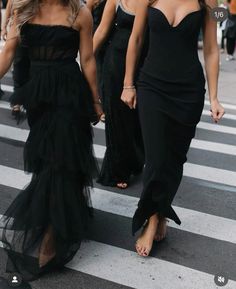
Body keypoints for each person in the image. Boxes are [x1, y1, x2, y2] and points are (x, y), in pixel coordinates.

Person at [0, 0, 103, 281]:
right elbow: (9, 51)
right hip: (39, 96)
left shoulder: (79, 12)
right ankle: (59, 215)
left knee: (61, 159)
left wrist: (95, 102)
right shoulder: (24, 10)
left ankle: (51, 239)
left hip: (70, 93)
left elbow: (88, 59)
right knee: (47, 158)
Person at [121, 0, 225, 256]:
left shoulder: (207, 2)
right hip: (152, 86)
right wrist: (127, 84)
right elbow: (135, 39)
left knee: (174, 160)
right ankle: (152, 218)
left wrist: (214, 97)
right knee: (156, 158)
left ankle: (159, 211)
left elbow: (211, 50)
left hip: (188, 91)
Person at [93, 0, 144, 189]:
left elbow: (216, 14)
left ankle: (135, 159)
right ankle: (117, 169)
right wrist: (84, 61)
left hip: (145, 64)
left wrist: (222, 14)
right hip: (115, 64)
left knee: (137, 118)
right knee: (117, 117)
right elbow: (101, 31)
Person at [1, 0, 31, 120]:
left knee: (30, 69)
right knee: (18, 67)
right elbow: (10, 6)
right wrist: (4, 28)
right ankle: (17, 102)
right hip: (20, 35)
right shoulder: (20, 7)